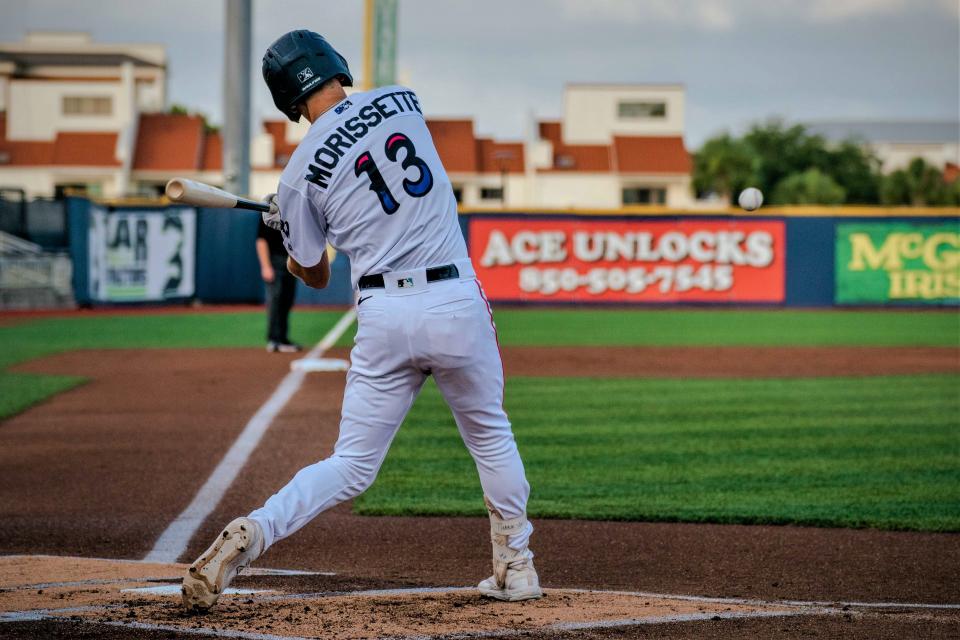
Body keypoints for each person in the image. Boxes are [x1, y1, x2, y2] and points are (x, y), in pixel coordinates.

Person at [181, 30, 541, 612]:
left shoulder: (297, 176)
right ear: (333, 65)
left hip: (384, 316)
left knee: (350, 464)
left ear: (286, 98)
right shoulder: (403, 100)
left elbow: (315, 273)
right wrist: (298, 217)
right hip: (454, 300)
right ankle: (517, 568)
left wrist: (290, 226)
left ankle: (255, 531)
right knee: (490, 437)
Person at [256, 217, 302, 353]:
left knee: (287, 300)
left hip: (291, 261)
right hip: (275, 261)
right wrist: (265, 266)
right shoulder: (269, 209)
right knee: (275, 300)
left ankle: (282, 338)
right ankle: (274, 340)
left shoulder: (294, 208)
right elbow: (261, 240)